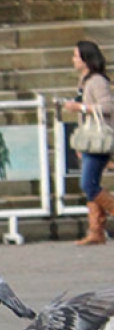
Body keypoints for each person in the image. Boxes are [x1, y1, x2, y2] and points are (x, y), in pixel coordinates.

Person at [65, 40, 114, 246]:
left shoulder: (96, 81)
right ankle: (96, 230)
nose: (73, 60)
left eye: (76, 56)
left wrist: (80, 108)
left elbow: (107, 107)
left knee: (88, 184)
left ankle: (98, 228)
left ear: (86, 59)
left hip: (99, 139)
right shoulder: (85, 81)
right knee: (90, 183)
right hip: (89, 139)